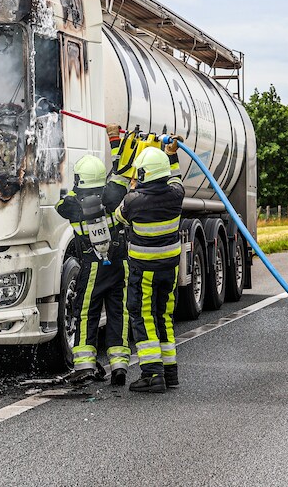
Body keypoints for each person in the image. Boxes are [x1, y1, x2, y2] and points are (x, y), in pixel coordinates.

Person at [109, 129, 185, 393]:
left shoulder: (133, 202)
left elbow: (118, 216)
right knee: (164, 315)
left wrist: (126, 173)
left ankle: (153, 375)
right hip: (169, 269)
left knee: (142, 317)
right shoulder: (176, 195)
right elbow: (175, 177)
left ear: (142, 175)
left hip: (144, 271)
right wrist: (171, 154)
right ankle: (170, 371)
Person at [55, 154, 130, 386]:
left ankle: (85, 364)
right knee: (119, 314)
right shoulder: (113, 197)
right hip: (119, 265)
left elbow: (60, 205)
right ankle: (119, 365)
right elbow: (120, 180)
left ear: (79, 180)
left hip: (93, 266)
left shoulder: (72, 206)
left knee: (87, 313)